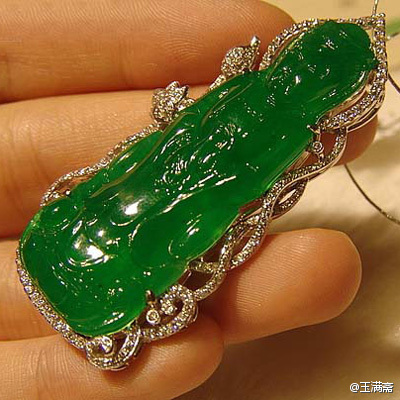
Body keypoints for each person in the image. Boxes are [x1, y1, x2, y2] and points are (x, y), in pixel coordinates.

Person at [0, 0, 376, 399]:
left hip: (199, 196)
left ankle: (108, 293)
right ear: (289, 53)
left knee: (161, 238)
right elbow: (193, 119)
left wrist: (212, 173)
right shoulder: (250, 83)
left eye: (318, 76)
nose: (298, 76)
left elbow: (250, 186)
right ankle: (60, 247)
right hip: (160, 164)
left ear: (332, 93)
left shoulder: (294, 132)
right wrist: (180, 136)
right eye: (301, 60)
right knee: (113, 194)